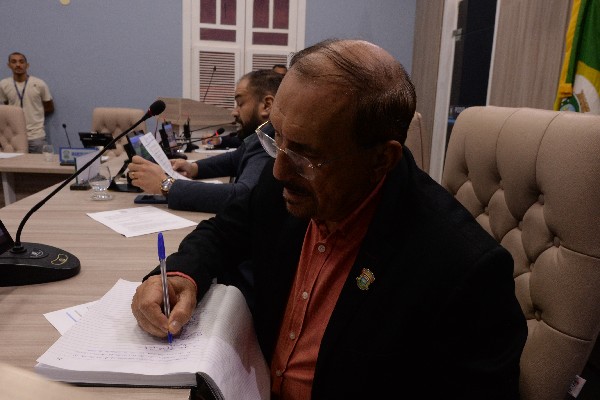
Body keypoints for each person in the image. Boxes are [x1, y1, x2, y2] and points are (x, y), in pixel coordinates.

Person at [131, 39, 527, 399]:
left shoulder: (465, 271)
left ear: (381, 159)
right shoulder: (290, 176)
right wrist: (182, 275)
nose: (279, 170)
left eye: (306, 154)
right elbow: (224, 231)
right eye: (276, 137)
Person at [127, 69, 283, 213]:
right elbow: (234, 160)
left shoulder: (272, 143)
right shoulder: (262, 134)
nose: (234, 112)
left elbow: (243, 197)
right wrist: (193, 168)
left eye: (240, 103)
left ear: (267, 105)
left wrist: (166, 185)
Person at [0, 52, 54, 153]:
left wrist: (35, 116)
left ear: (27, 65)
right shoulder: (3, 85)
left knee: (39, 163)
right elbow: (7, 108)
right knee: (15, 163)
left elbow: (49, 107)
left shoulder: (39, 84)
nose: (18, 65)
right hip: (14, 136)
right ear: (9, 65)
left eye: (21, 62)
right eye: (14, 62)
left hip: (36, 136)